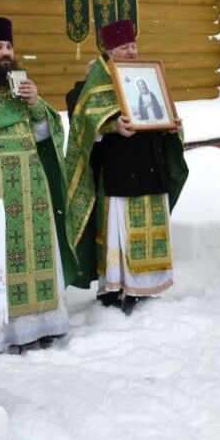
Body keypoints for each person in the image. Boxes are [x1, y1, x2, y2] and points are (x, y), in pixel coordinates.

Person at [0, 16, 77, 352]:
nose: (5, 52)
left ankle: (46, 323)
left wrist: (36, 105)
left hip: (31, 178)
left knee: (38, 250)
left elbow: (43, 134)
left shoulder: (19, 85)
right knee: (2, 252)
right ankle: (6, 333)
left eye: (8, 46)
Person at [65, 18, 188, 314]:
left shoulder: (149, 75)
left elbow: (161, 113)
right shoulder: (98, 83)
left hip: (150, 165)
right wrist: (110, 125)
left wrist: (172, 128)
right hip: (119, 169)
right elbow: (84, 124)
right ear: (110, 51)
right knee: (119, 230)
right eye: (124, 46)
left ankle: (145, 287)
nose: (131, 51)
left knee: (148, 228)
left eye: (133, 45)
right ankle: (116, 286)